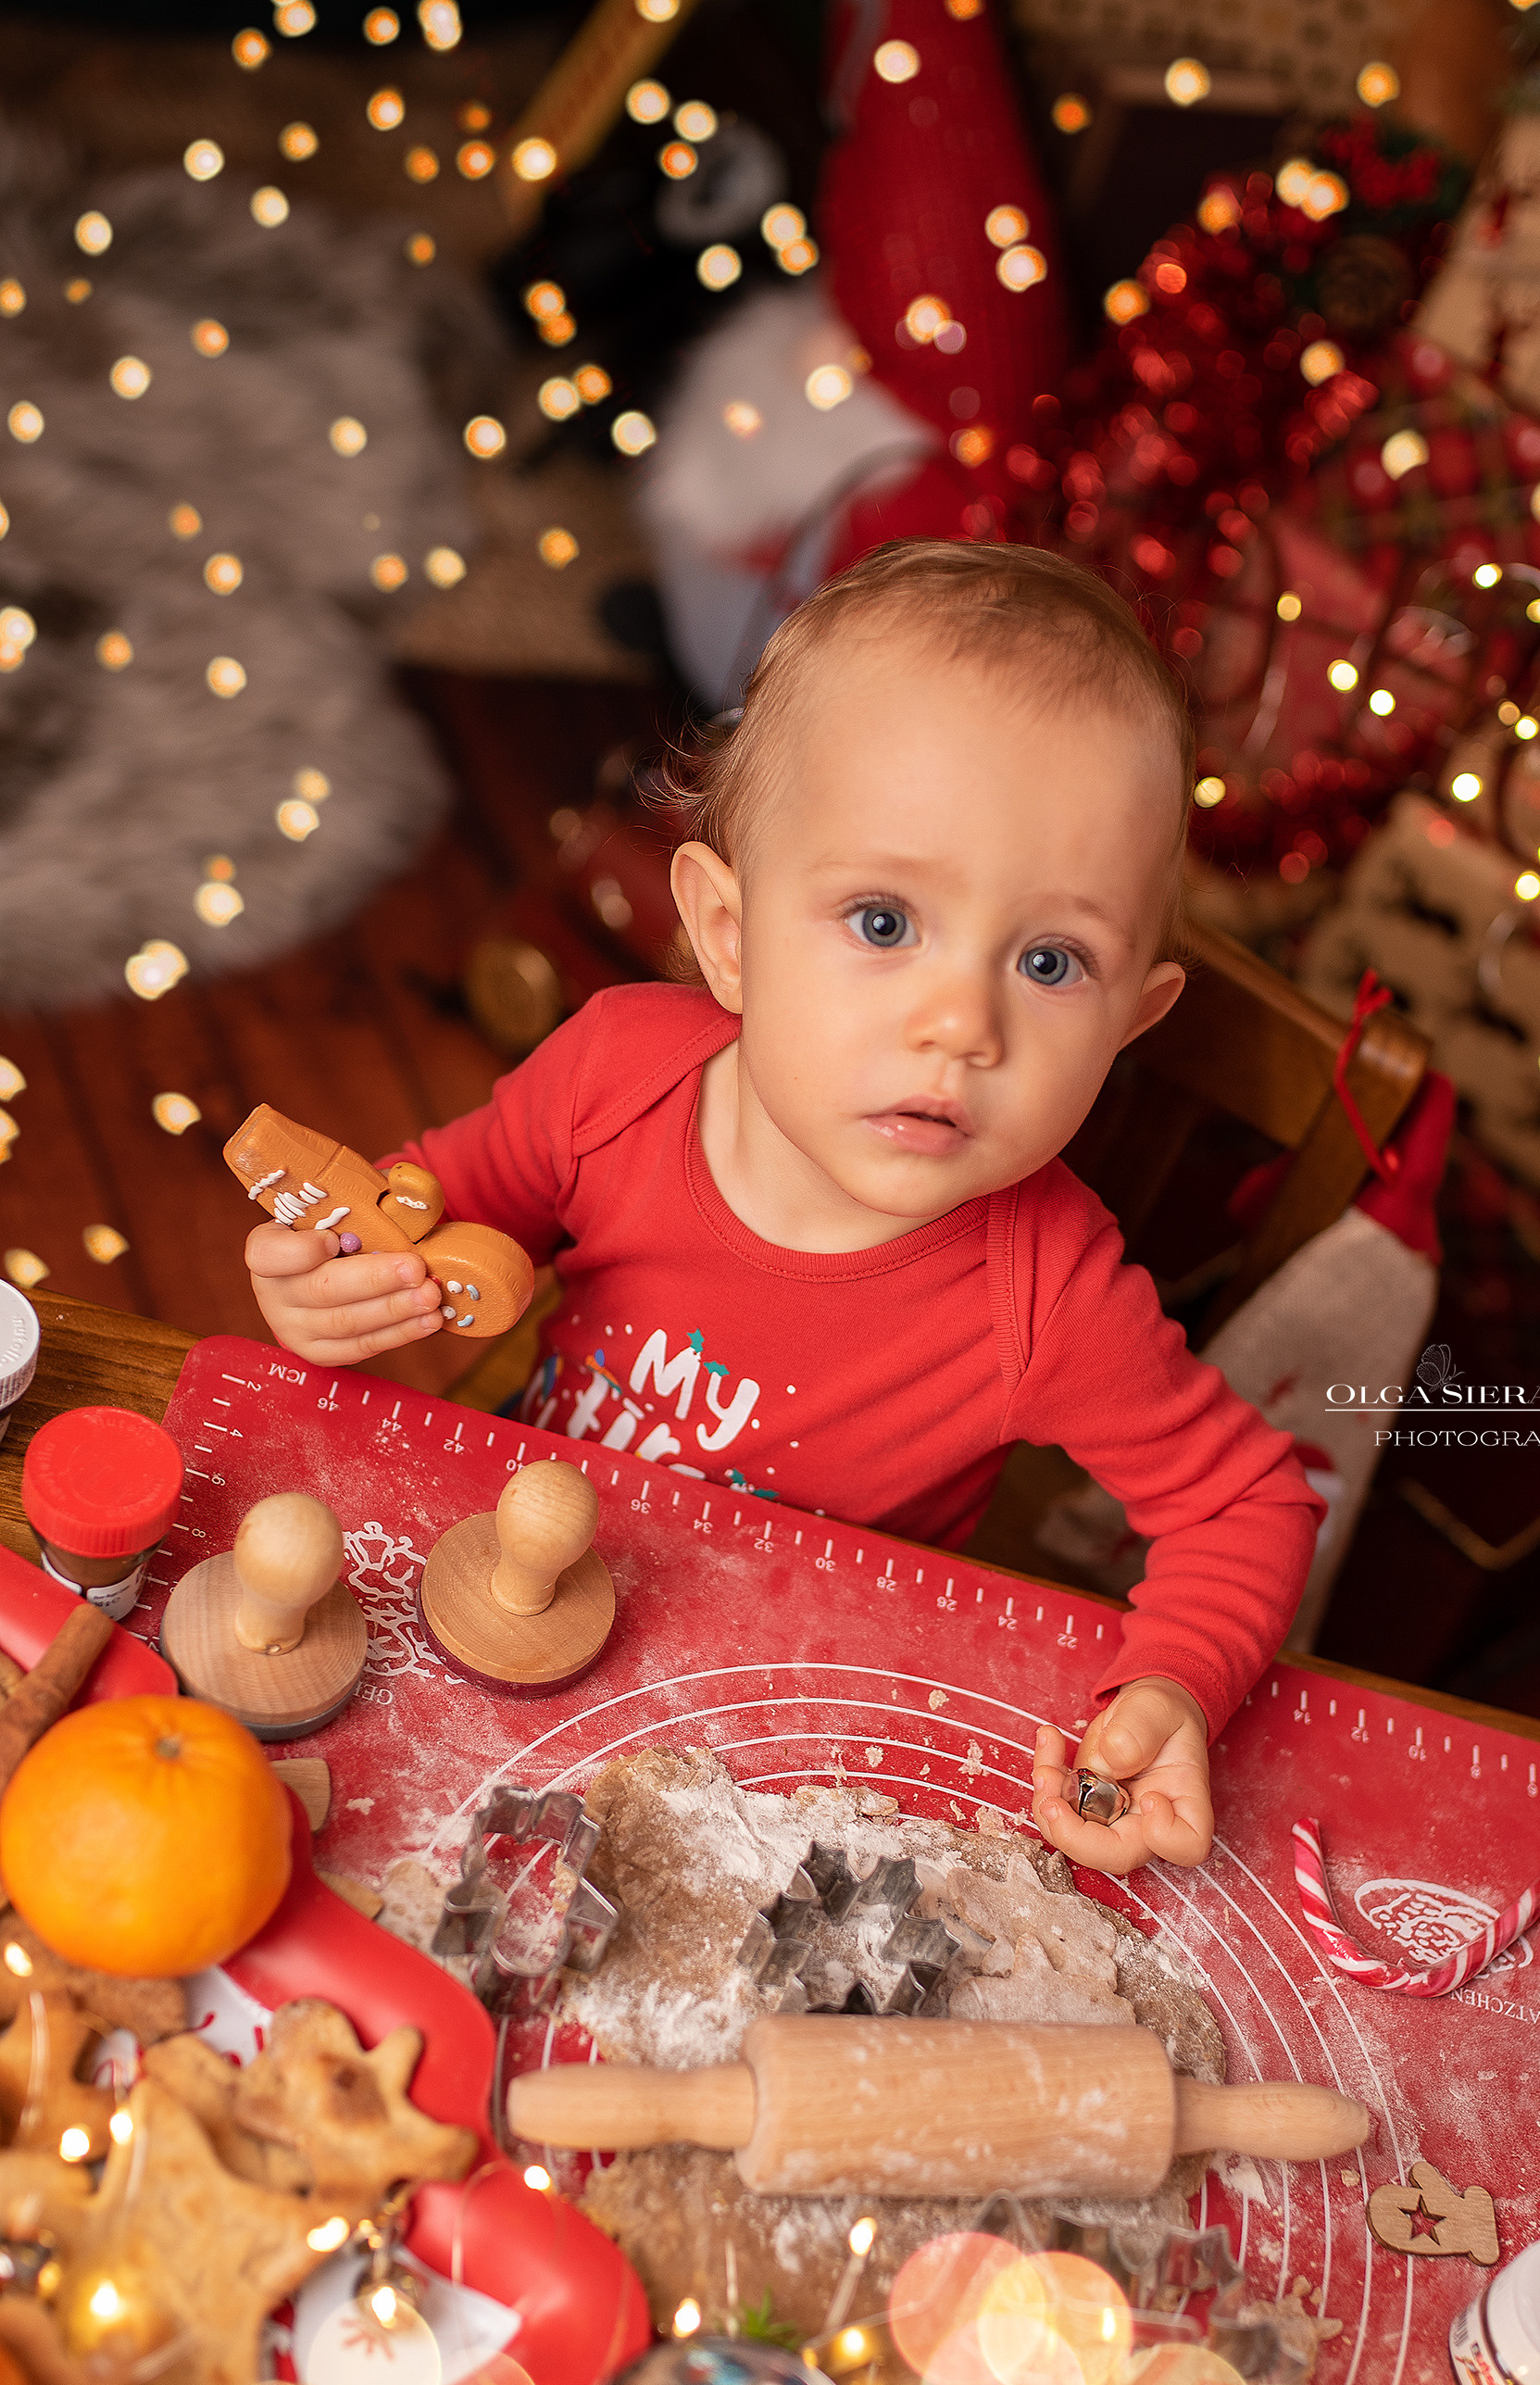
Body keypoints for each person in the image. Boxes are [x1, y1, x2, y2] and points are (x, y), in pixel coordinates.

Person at [246, 540, 1321, 1872]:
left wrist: (1169, 1688)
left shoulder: (1046, 1294)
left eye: (1051, 961)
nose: (960, 1024)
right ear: (729, 933)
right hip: (497, 1604)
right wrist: (337, 1269)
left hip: (777, 1764)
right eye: (884, 922)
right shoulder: (613, 1078)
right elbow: (434, 1207)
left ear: (1130, 1023)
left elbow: (1244, 1504)